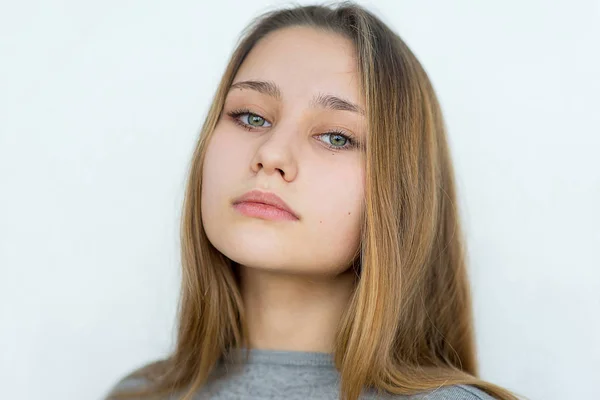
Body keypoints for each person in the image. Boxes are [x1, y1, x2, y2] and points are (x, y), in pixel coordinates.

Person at [105, 2, 519, 399]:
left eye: (336, 137)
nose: (271, 154)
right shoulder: (136, 395)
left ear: (399, 193)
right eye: (252, 117)